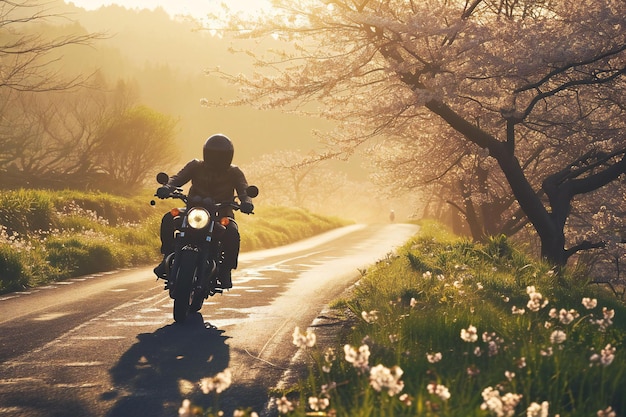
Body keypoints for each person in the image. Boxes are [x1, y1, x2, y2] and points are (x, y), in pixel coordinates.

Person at [153, 134, 254, 289]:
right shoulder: (195, 166)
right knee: (169, 217)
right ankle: (167, 255)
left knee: (232, 232)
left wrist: (247, 202)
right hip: (193, 210)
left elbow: (244, 190)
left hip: (221, 213)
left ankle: (225, 270)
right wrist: (166, 188)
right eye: (213, 154)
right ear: (206, 153)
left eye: (221, 156)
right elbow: (177, 179)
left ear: (228, 156)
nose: (216, 159)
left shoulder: (234, 172)